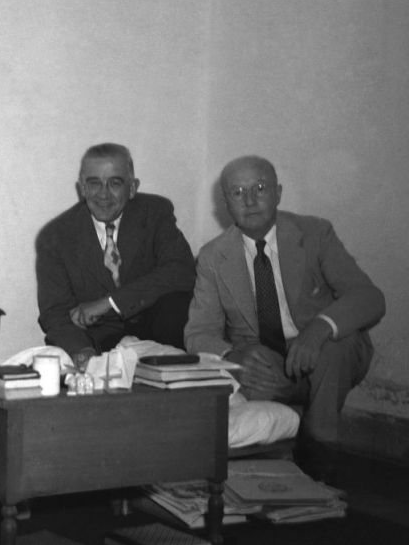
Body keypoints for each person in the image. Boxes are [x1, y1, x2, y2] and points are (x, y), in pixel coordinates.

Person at [185, 155, 385, 457]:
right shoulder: (213, 256)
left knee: (334, 347)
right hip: (268, 362)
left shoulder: (315, 234)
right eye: (237, 193)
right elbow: (198, 334)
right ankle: (272, 458)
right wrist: (235, 356)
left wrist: (319, 328)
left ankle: (320, 453)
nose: (249, 200)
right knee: (246, 375)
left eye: (260, 188)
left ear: (278, 193)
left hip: (324, 353)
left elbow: (369, 298)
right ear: (225, 203)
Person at [36, 143, 196, 369]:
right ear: (81, 187)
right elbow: (55, 313)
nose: (103, 194)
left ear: (132, 188)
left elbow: (180, 271)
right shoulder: (55, 237)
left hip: (162, 333)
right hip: (102, 344)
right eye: (94, 183)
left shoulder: (155, 212)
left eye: (114, 183)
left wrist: (110, 303)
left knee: (177, 303)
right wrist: (83, 353)